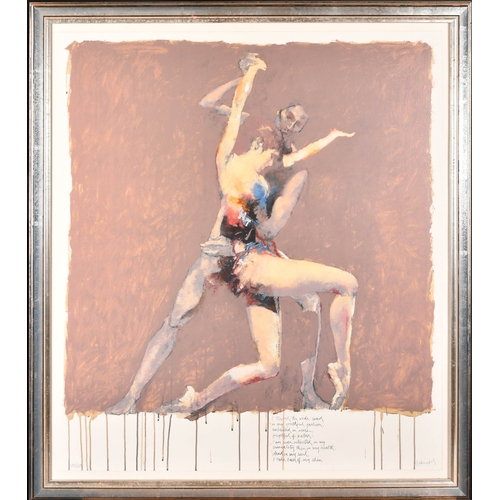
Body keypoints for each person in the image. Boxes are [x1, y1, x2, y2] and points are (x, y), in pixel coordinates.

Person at [150, 54, 357, 415]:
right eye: (271, 156)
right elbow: (234, 115)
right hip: (251, 263)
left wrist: (328, 139)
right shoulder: (231, 169)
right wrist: (250, 74)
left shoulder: (252, 172)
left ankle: (195, 400)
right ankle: (342, 369)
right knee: (346, 284)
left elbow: (291, 160)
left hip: (251, 265)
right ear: (258, 146)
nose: (274, 163)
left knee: (268, 365)